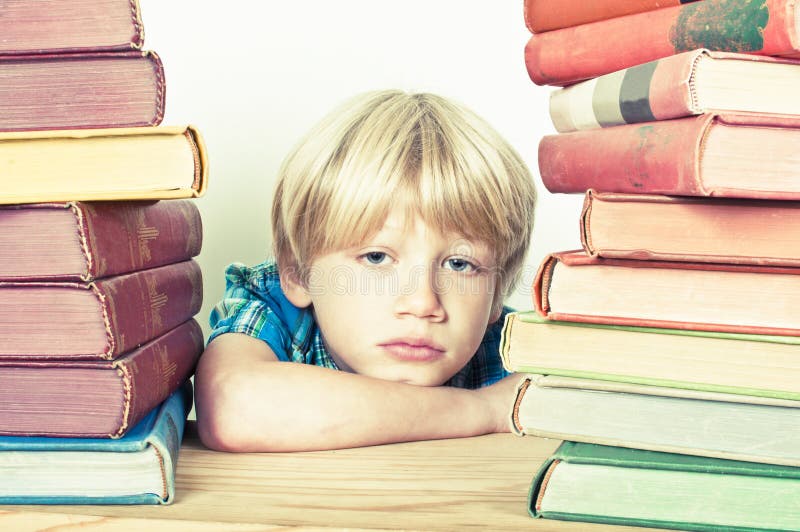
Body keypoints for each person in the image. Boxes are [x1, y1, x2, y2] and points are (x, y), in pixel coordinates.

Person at [195, 90, 536, 452]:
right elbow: (231, 406)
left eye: (459, 264)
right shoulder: (276, 311)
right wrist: (488, 410)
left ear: (498, 291)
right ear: (296, 272)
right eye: (376, 257)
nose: (422, 303)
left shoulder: (518, 350)